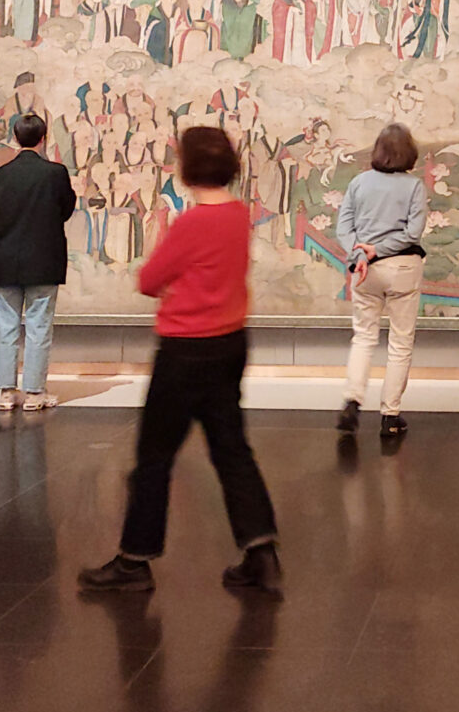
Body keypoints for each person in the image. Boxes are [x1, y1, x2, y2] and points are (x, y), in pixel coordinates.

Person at [78, 127, 282, 595]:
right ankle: (261, 550)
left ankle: (134, 561)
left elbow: (150, 279)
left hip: (184, 349)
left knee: (154, 457)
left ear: (185, 168)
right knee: (232, 450)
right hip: (230, 344)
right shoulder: (238, 215)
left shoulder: (191, 223)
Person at [333, 123, 429, 438]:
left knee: (363, 337)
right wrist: (381, 249)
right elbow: (412, 234)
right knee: (400, 343)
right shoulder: (414, 186)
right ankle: (390, 415)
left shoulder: (359, 183)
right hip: (402, 269)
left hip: (365, 272)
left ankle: (352, 399)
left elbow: (344, 228)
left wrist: (361, 256)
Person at [0, 114, 77, 412]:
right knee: (39, 326)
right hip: (43, 256)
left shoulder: (2, 174)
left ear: (15, 137)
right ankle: (35, 393)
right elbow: (65, 209)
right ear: (44, 137)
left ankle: (6, 392)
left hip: (5, 257)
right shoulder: (55, 173)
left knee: (6, 326)